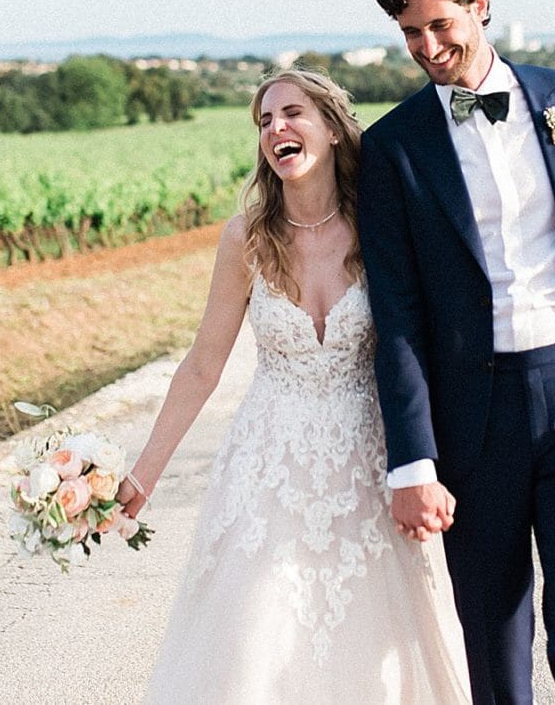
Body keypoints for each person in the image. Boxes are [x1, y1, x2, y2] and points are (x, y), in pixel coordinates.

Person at [118, 70, 471, 704]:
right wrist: (142, 476)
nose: (276, 128)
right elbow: (203, 365)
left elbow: (425, 350)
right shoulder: (247, 239)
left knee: (375, 656)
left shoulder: (381, 229)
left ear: (333, 129)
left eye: (292, 113)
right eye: (263, 121)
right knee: (258, 642)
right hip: (267, 474)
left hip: (366, 470)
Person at [358, 0, 555, 705]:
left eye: (441, 24)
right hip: (472, 416)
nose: (429, 47)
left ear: (482, 0)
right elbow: (398, 317)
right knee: (494, 636)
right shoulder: (392, 148)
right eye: (411, 33)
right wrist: (413, 459)